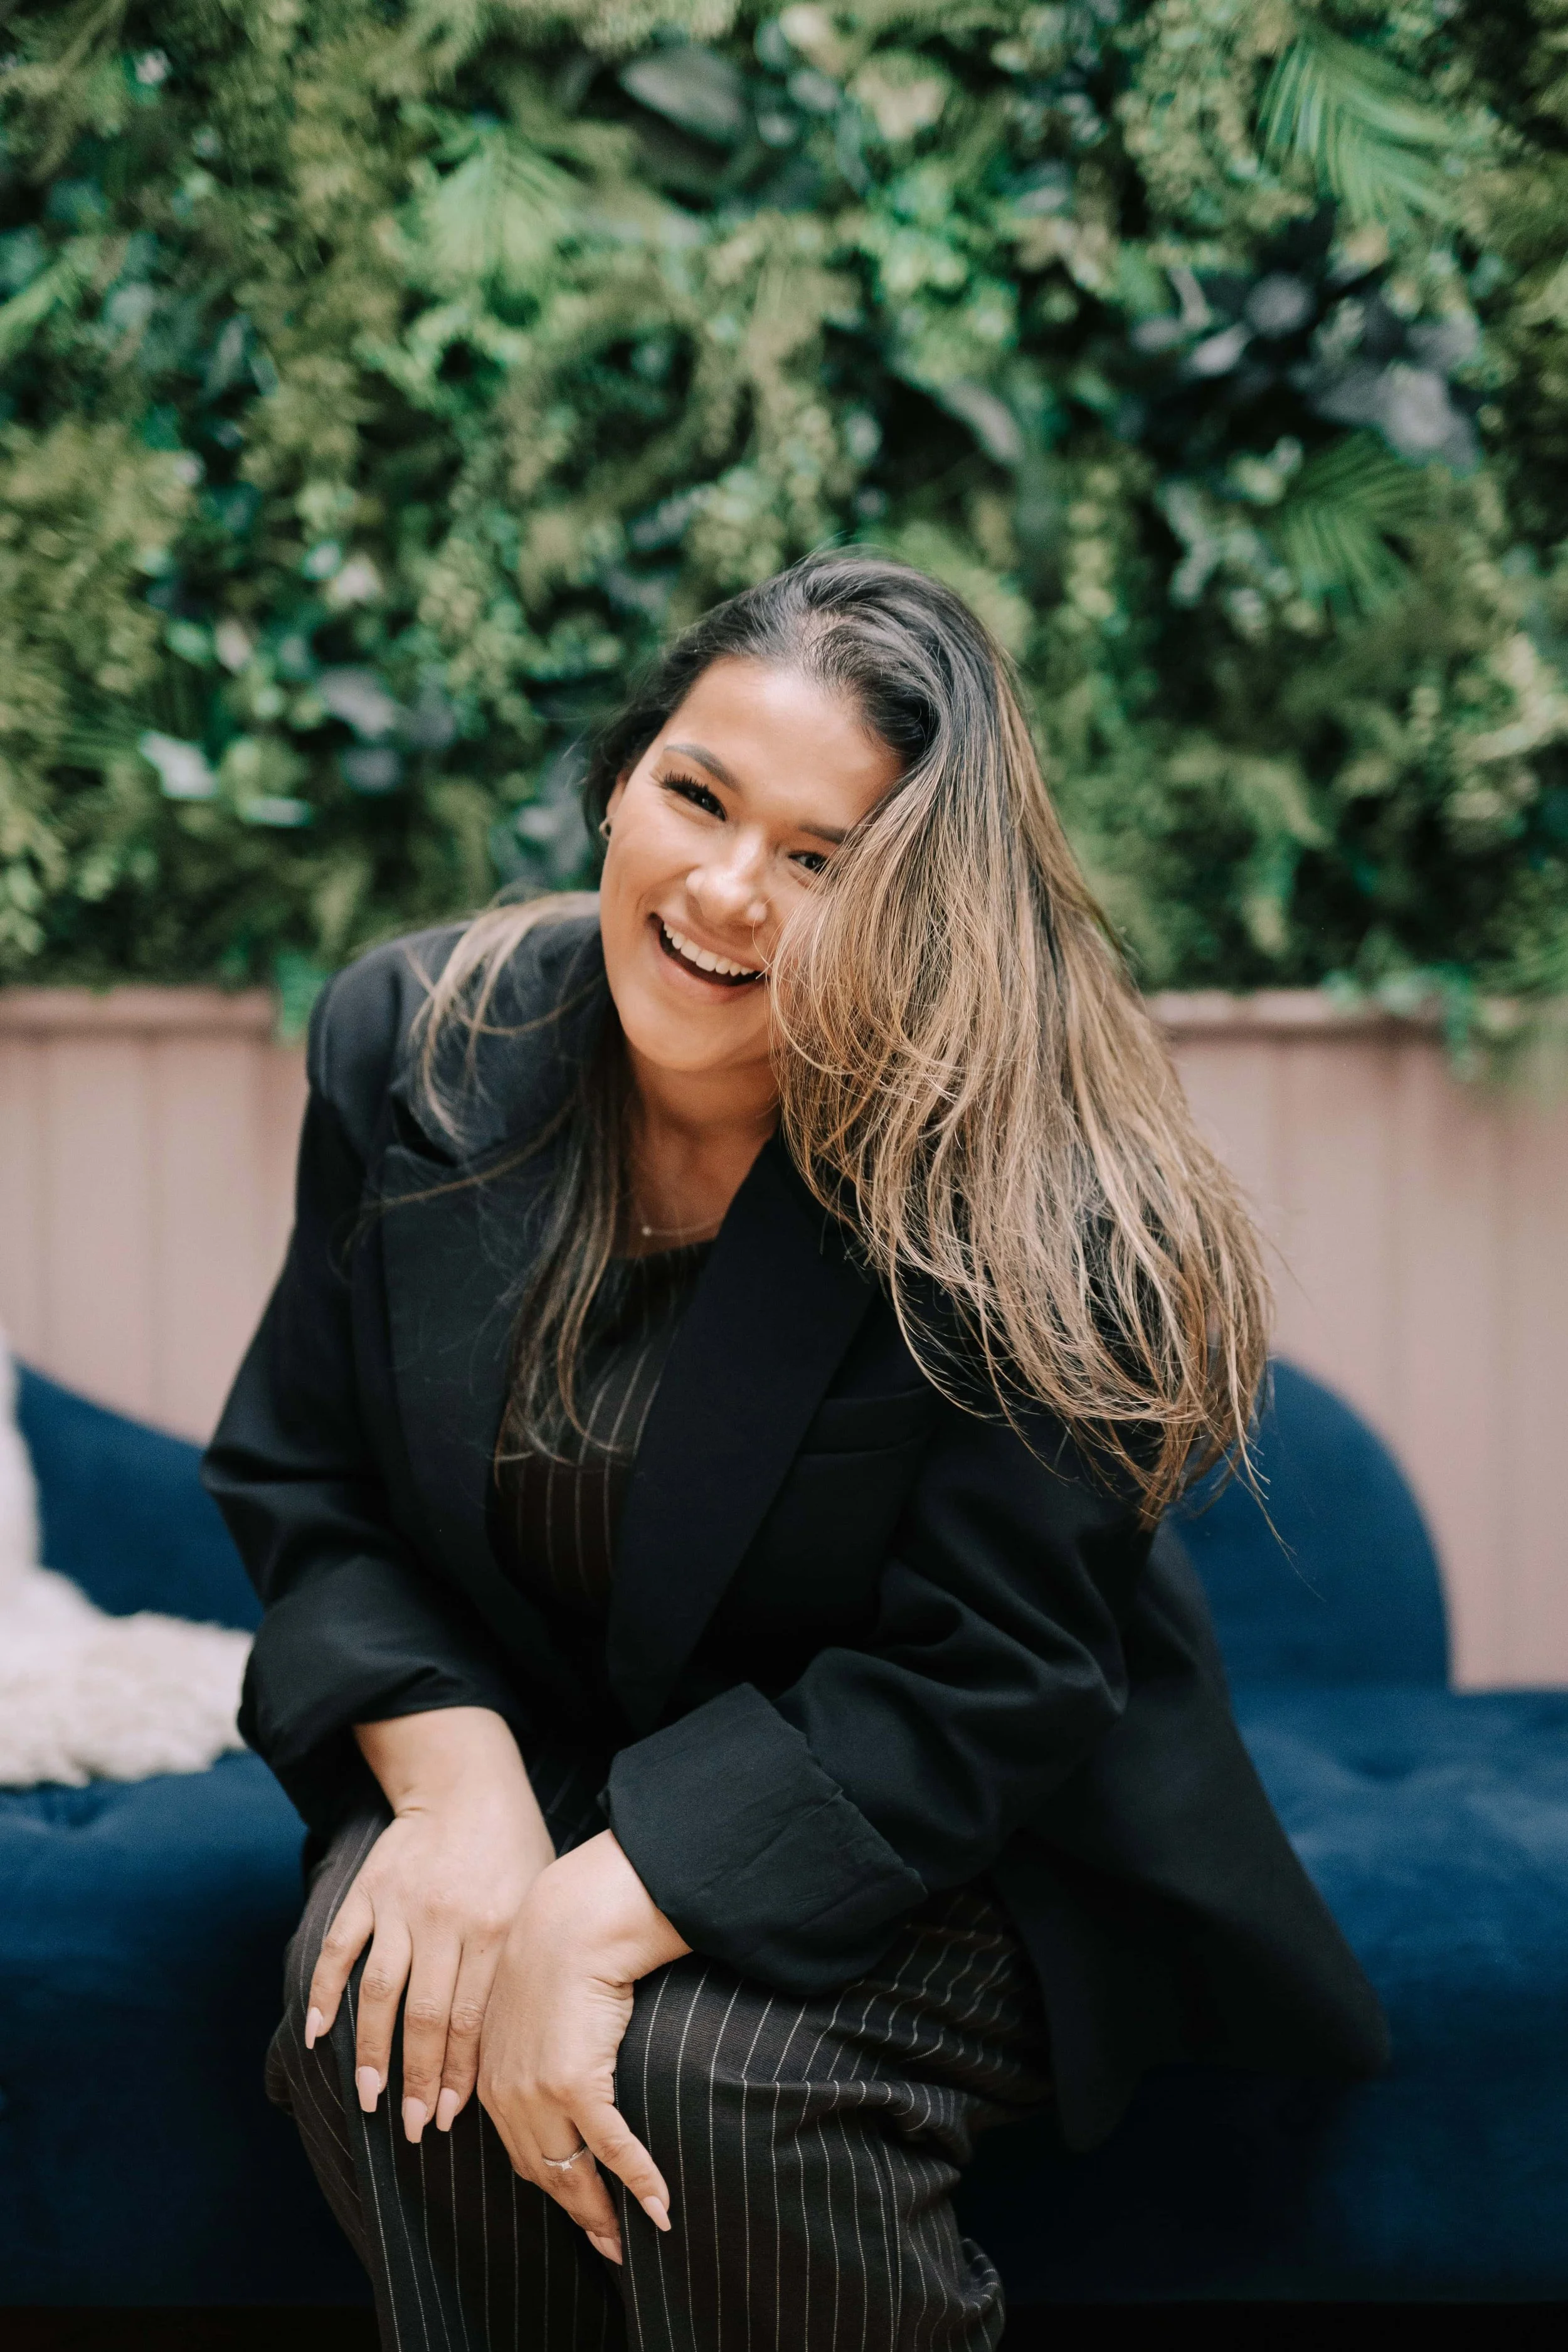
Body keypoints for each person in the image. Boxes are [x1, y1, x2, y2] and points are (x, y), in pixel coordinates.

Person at [204, 552, 1387, 2351]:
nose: (726, 891)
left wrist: (603, 1905)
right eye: (696, 796)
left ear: (928, 914)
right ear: (622, 778)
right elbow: (310, 1481)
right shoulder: (411, 1040)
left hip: (946, 1821)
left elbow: (991, 1671)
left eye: (824, 862)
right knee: (383, 2005)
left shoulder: (1035, 1190)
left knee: (704, 2075)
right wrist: (455, 1794)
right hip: (548, 1747)